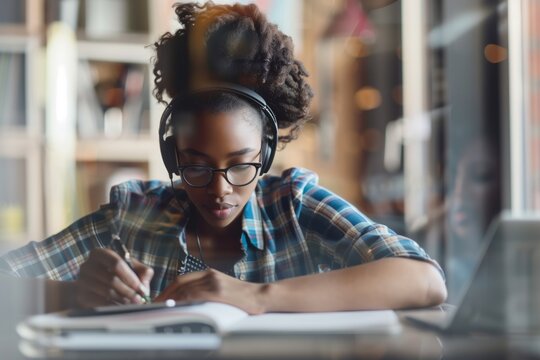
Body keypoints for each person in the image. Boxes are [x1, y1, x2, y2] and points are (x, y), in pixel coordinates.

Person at [0, 1, 446, 314]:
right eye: (196, 164)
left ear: (266, 155)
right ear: (172, 155)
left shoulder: (293, 206)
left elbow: (424, 281)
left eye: (240, 165)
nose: (219, 189)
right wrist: (72, 292)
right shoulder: (133, 214)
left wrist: (259, 297)